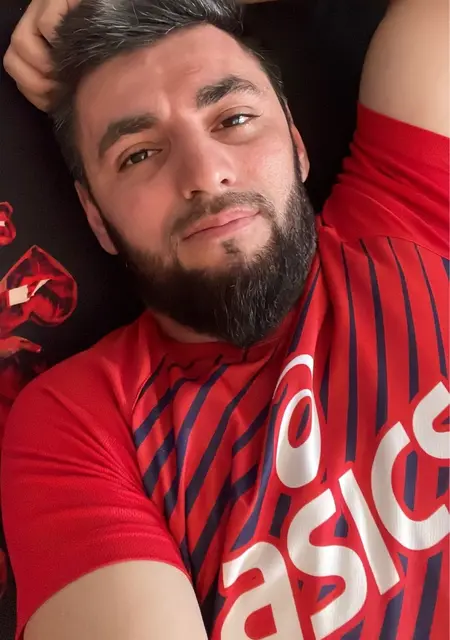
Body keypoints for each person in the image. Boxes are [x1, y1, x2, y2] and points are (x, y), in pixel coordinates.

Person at [2, 0, 449, 638]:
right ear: (97, 217)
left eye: (234, 119)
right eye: (138, 154)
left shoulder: (413, 203)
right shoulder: (80, 424)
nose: (204, 173)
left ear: (296, 143)